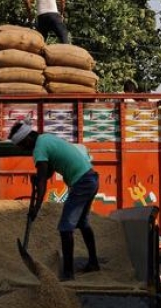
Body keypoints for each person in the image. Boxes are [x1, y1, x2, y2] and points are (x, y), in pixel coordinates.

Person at [8, 120, 100, 280]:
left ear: (28, 139)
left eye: (22, 145)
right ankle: (93, 263)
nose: (24, 149)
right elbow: (48, 172)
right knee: (82, 222)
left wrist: (36, 208)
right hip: (91, 178)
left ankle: (68, 274)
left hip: (82, 182)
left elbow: (43, 184)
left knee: (65, 228)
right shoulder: (46, 139)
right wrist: (39, 177)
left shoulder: (39, 148)